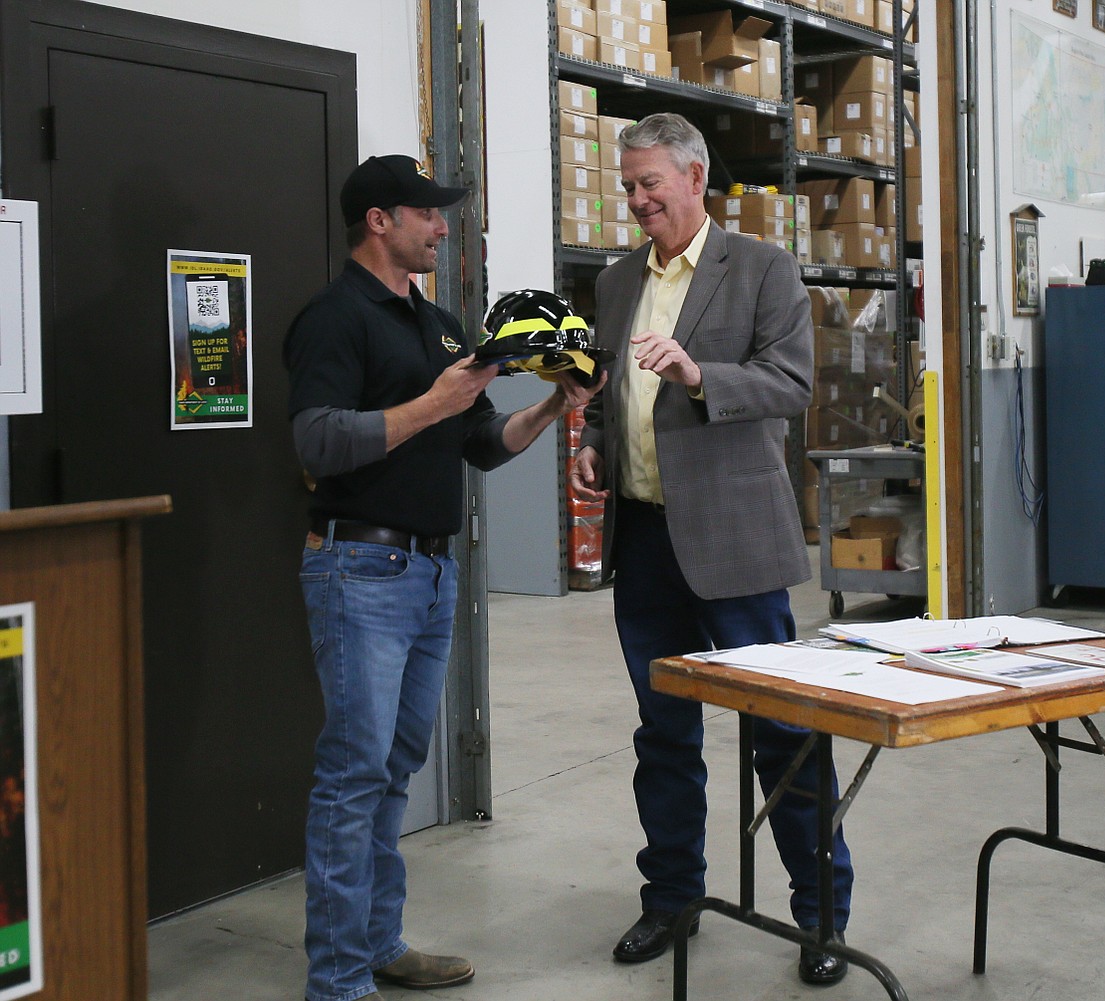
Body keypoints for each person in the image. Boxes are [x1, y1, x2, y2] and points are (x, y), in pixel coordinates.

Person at [284, 154, 603, 1001]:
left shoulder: (444, 323)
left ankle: (379, 942)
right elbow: (316, 443)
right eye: (427, 213)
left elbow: (481, 445)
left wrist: (550, 409)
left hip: (428, 575)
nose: (441, 225)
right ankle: (339, 979)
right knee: (353, 777)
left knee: (391, 769)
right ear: (379, 221)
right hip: (358, 568)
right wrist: (435, 398)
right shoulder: (335, 318)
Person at [568, 113, 854, 986]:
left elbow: (790, 380)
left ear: (696, 178)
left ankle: (822, 919)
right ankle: (672, 899)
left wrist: (698, 374)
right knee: (664, 733)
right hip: (646, 541)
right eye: (628, 186)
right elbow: (603, 383)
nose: (637, 200)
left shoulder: (762, 269)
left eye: (651, 183)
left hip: (736, 542)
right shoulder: (616, 282)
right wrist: (593, 438)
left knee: (783, 733)